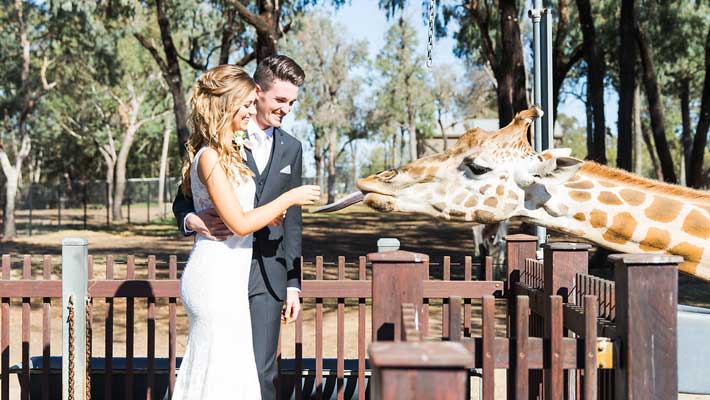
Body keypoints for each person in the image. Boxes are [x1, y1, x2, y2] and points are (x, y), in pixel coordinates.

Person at [172, 64, 319, 399]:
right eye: (280, 99)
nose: (286, 108)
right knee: (223, 367)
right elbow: (185, 200)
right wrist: (192, 220)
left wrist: (293, 283)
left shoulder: (292, 148)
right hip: (223, 267)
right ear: (258, 91)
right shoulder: (219, 147)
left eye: (293, 102)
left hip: (267, 269)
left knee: (259, 372)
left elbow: (292, 221)